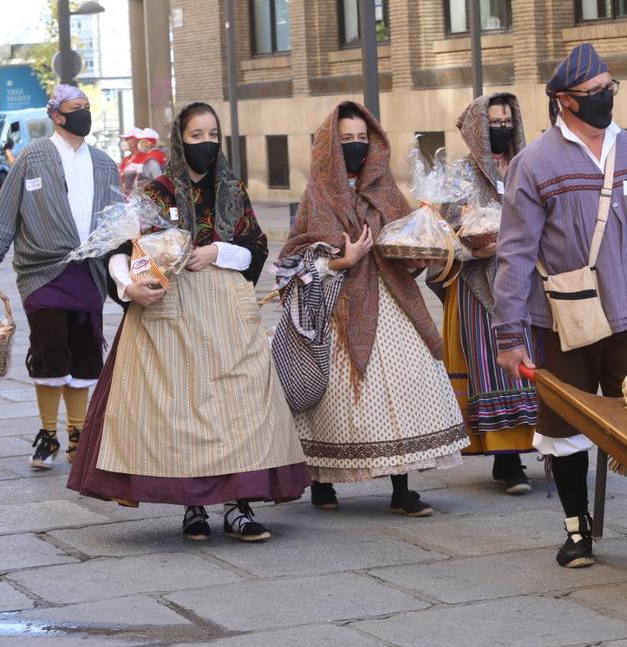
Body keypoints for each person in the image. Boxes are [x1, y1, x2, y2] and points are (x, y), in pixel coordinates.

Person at [67, 102, 310, 542]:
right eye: (197, 136)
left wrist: (217, 251)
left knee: (238, 406)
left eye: (213, 135)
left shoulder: (232, 192)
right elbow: (118, 250)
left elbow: (255, 250)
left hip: (227, 312)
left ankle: (239, 504)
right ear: (180, 140)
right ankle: (192, 506)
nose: (207, 144)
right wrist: (130, 287)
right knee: (180, 409)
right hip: (169, 313)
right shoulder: (156, 192)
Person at [493, 43, 627, 568]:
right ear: (565, 101)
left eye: (610, 88)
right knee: (565, 428)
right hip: (567, 322)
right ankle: (577, 531)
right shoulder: (534, 164)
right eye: (594, 92)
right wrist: (509, 336)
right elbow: (514, 252)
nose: (606, 98)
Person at [279, 101, 468, 517]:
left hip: (392, 299)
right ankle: (321, 480)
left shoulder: (386, 188)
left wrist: (425, 235)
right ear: (329, 144)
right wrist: (340, 260)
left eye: (361, 139)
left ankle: (402, 487)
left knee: (405, 385)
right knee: (333, 397)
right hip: (339, 308)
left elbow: (410, 244)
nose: (354, 146)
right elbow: (292, 259)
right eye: (345, 139)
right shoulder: (317, 192)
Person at [0, 84, 120, 470]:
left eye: (87, 106)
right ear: (56, 115)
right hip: (42, 272)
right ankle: (48, 434)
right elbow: (4, 217)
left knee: (84, 353)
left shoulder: (104, 163)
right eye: (75, 107)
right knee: (50, 350)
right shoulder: (31, 158)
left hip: (90, 272)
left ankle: (78, 436)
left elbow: (118, 222)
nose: (84, 112)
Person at [431, 93, 537, 495]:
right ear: (478, 126)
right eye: (494, 120)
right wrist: (472, 242)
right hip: (479, 282)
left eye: (508, 119)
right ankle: (506, 460)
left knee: (537, 360)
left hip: (528, 279)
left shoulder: (529, 166)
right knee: (491, 362)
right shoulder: (459, 174)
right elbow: (441, 231)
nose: (502, 127)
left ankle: (545, 446)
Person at [120, 127, 166, 193]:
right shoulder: (126, 159)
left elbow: (157, 180)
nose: (140, 143)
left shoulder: (152, 157)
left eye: (127, 139)